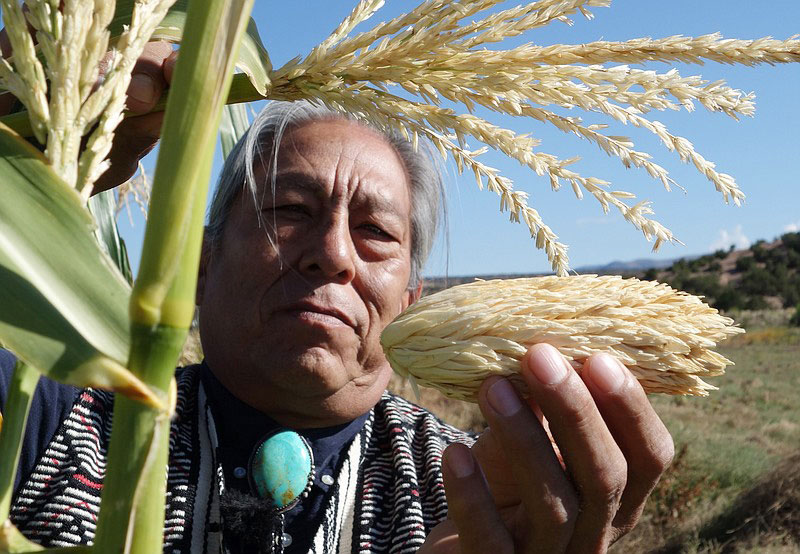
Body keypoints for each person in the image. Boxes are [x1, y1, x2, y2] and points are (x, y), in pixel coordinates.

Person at [0, 42, 675, 553]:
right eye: (290, 210)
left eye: (376, 231)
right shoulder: (52, 419)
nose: (334, 253)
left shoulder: (481, 488)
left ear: (411, 298)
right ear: (203, 265)